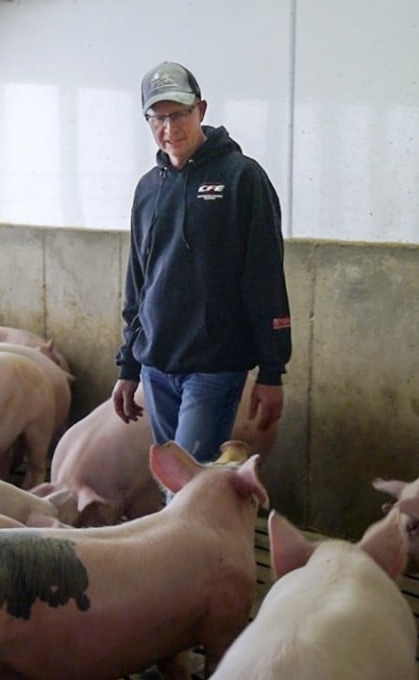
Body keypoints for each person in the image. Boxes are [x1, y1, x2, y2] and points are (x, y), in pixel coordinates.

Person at [111, 61, 292, 466]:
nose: (169, 128)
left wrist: (271, 369)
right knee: (173, 479)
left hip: (214, 366)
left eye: (179, 115)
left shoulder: (242, 179)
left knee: (186, 488)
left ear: (202, 110)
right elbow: (139, 282)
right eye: (157, 118)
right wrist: (129, 365)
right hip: (157, 363)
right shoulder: (148, 188)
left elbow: (264, 277)